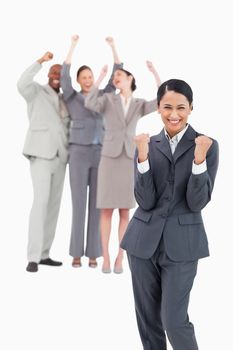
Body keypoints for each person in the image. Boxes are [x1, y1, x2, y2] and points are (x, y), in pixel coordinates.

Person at [121, 79, 219, 349]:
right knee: (148, 320)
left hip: (183, 245)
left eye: (180, 107)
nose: (173, 114)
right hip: (141, 243)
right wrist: (142, 157)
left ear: (190, 108)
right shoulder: (147, 144)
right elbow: (145, 200)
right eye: (167, 107)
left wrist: (199, 159)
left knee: (173, 320)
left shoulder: (208, 145)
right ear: (158, 109)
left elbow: (197, 202)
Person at [85, 62, 161, 273]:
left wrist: (155, 73)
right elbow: (90, 102)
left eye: (119, 75)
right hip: (109, 158)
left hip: (129, 158)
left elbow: (160, 101)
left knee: (125, 211)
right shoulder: (109, 99)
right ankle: (106, 259)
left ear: (130, 79)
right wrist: (100, 77)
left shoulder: (139, 104)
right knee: (106, 211)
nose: (115, 77)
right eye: (114, 76)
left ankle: (120, 257)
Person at [60, 35, 123, 268]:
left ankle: (94, 253)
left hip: (100, 154)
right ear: (79, 80)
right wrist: (72, 45)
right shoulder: (72, 97)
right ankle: (76, 253)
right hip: (78, 153)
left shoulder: (103, 95)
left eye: (90, 77)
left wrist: (113, 47)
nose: (88, 80)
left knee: (98, 205)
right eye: (84, 77)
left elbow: (118, 73)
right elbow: (64, 77)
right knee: (78, 204)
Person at [17, 52, 70, 272]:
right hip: (40, 154)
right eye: (54, 71)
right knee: (40, 203)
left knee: (53, 206)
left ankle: (44, 253)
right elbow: (22, 83)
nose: (57, 75)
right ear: (48, 74)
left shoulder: (66, 100)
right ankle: (32, 256)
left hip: (61, 157)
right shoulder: (35, 92)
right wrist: (40, 61)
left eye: (61, 72)